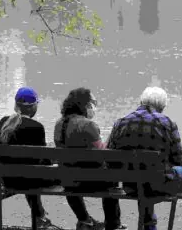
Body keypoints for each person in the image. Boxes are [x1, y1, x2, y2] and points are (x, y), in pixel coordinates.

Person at [106, 86, 182, 230]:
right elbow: (179, 160)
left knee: (143, 174)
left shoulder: (120, 122)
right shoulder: (166, 122)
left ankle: (149, 225)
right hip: (161, 186)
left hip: (131, 186)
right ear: (162, 106)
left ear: (141, 101)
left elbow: (110, 158)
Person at [54, 88, 128, 230]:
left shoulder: (59, 124)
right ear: (84, 104)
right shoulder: (88, 125)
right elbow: (103, 154)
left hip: (67, 180)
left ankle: (84, 219)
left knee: (72, 173)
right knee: (111, 176)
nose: (94, 106)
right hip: (91, 181)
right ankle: (113, 224)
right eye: (93, 103)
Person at [0, 86, 56, 229]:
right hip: (28, 179)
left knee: (28, 172)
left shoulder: (3, 122)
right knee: (36, 173)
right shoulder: (37, 127)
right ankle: (40, 217)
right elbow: (43, 160)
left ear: (16, 104)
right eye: (36, 104)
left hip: (7, 179)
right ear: (31, 107)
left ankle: (40, 216)